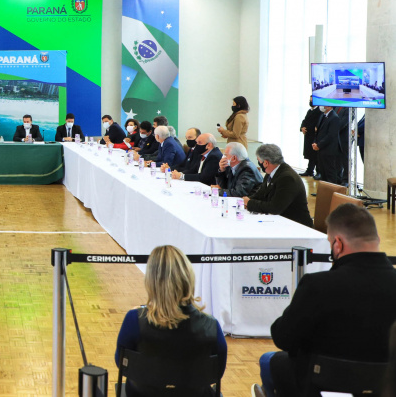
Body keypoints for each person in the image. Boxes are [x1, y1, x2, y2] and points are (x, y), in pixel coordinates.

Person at [252, 204, 396, 397]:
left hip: (322, 383)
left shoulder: (318, 285)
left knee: (268, 360)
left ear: (338, 244)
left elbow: (283, 338)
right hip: (386, 384)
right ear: (377, 240)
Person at [115, 245, 227, 397]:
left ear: (151, 282)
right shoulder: (211, 326)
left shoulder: (134, 320)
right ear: (188, 278)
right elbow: (217, 371)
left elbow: (121, 363)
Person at [243, 144, 312, 228]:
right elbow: (260, 194)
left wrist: (250, 203)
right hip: (280, 221)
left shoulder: (287, 178)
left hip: (296, 226)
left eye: (258, 161)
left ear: (266, 163)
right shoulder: (271, 172)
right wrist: (247, 200)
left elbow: (275, 207)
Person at [312, 105, 342, 184]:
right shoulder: (323, 116)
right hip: (321, 150)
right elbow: (317, 131)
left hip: (329, 150)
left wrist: (319, 145)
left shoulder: (334, 117)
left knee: (330, 173)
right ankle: (324, 192)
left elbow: (331, 135)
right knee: (323, 172)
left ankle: (331, 193)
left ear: (329, 106)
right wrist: (315, 143)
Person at [299, 100, 322, 177]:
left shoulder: (319, 111)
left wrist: (308, 128)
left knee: (315, 155)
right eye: (310, 100)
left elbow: (317, 124)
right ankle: (309, 170)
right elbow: (304, 121)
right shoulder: (309, 111)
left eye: (312, 100)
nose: (310, 101)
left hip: (314, 136)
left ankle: (318, 171)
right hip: (308, 136)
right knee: (310, 154)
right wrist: (302, 127)